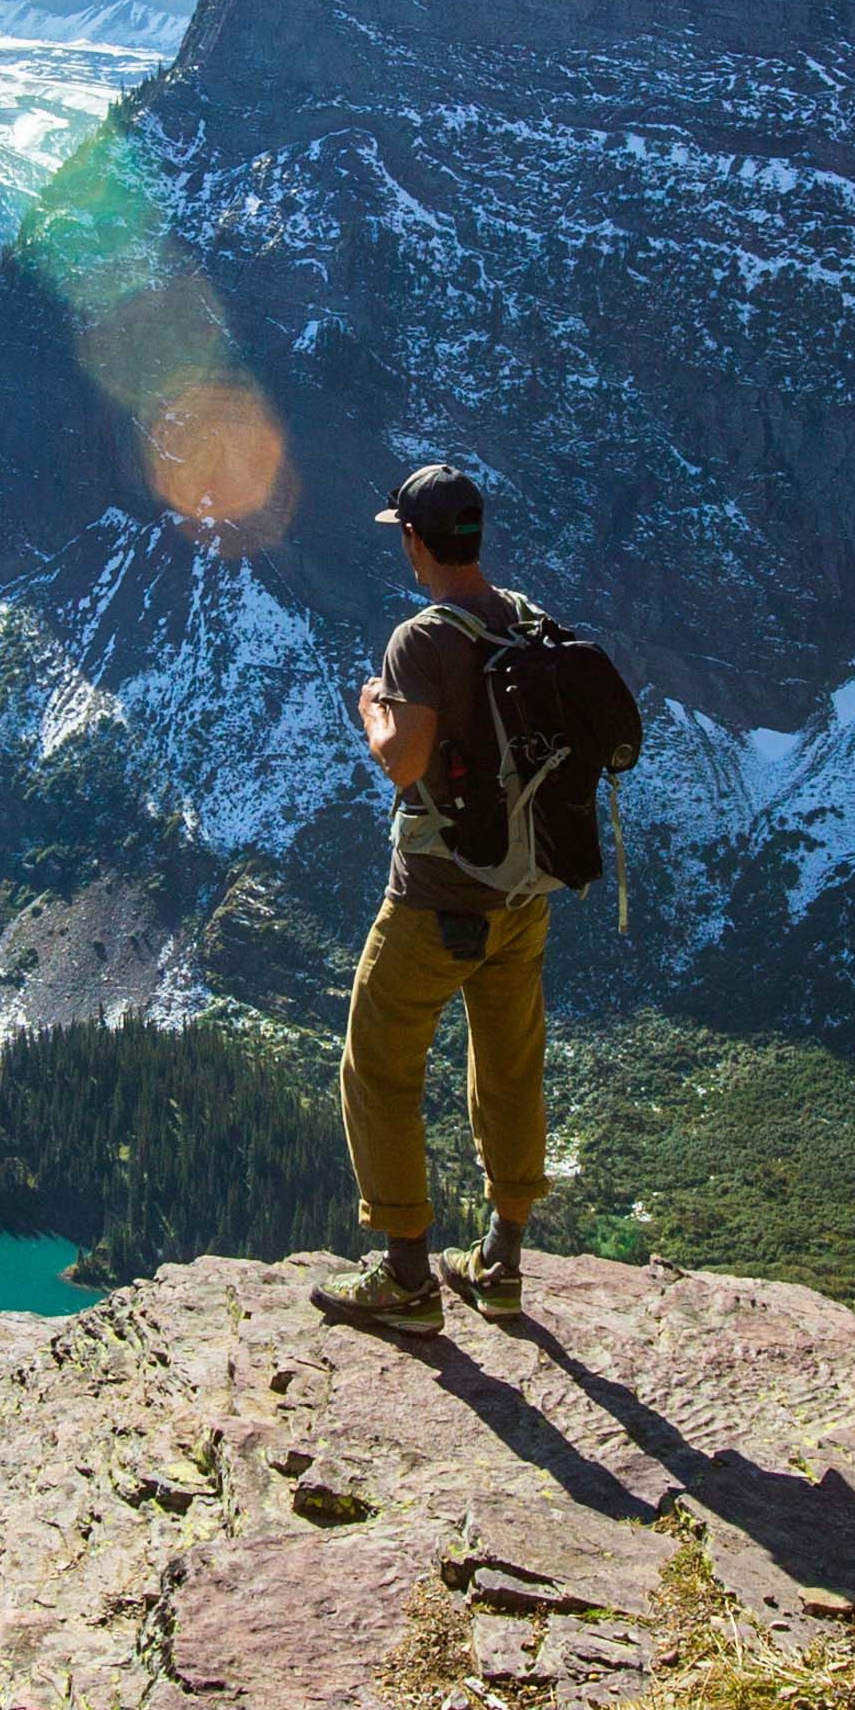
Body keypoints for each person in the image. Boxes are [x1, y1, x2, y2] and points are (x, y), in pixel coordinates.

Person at [314, 462, 554, 1337]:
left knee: (377, 1064)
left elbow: (404, 761)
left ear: (415, 540)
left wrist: (373, 708)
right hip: (523, 895)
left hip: (436, 899)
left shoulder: (420, 638)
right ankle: (500, 1265)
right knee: (509, 1066)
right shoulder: (525, 619)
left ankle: (408, 1278)